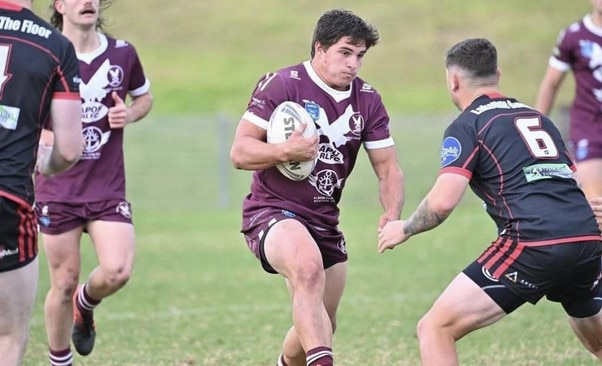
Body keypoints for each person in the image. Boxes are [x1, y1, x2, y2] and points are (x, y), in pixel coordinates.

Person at [378, 38, 602, 365]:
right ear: (497, 73)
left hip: (534, 242)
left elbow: (442, 203)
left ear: (453, 81)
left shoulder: (468, 125)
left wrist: (405, 228)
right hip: (586, 239)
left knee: (434, 328)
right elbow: (573, 181)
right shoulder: (539, 119)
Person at [230, 9, 405, 366]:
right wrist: (284, 151)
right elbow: (240, 151)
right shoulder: (282, 84)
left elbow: (388, 169)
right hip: (272, 210)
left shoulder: (368, 99)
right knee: (307, 270)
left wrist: (392, 213)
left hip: (324, 219)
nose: (354, 63)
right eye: (345, 52)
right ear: (319, 48)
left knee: (323, 324)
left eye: (360, 55)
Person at [0, 0, 84, 364]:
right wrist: (47, 165)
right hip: (2, 199)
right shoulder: (54, 44)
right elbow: (70, 148)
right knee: (7, 338)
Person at [34, 1, 153, 365]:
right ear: (59, 5)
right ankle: (60, 360)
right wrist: (45, 137)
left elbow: (144, 97)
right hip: (57, 187)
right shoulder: (44, 52)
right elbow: (22, 109)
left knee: (118, 270)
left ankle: (85, 304)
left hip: (106, 187)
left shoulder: (122, 53)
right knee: (63, 281)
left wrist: (128, 113)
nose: (87, 2)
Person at [535, 0, 602, 201]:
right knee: (596, 204)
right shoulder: (574, 36)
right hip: (589, 129)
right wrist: (536, 129)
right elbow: (551, 84)